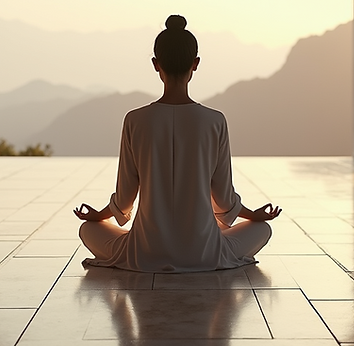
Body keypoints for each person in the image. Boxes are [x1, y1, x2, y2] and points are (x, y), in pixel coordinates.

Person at [74, 15, 281, 273]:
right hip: (204, 253)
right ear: (195, 64)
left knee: (88, 229)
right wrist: (254, 216)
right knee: (262, 229)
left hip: (144, 252)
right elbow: (224, 199)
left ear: (155, 64)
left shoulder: (135, 120)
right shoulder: (214, 121)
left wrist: (99, 216)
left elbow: (125, 198)